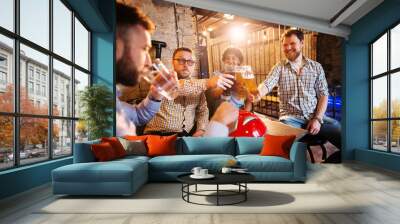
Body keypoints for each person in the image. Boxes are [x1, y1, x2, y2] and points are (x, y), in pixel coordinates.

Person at [252, 29, 341, 148]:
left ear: (302, 43)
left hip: (314, 115)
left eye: (292, 43)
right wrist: (258, 93)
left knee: (341, 133)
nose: (288, 48)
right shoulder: (279, 67)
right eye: (285, 45)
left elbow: (323, 94)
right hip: (290, 119)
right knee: (283, 145)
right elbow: (267, 84)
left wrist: (317, 119)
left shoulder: (315, 67)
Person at [115, 3, 177, 136]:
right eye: (144, 49)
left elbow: (138, 115)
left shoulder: (112, 101)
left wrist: (155, 94)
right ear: (117, 46)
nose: (149, 62)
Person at [144, 48, 223, 136]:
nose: (186, 65)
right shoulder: (162, 77)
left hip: (184, 136)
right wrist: (208, 82)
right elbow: (178, 87)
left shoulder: (197, 86)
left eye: (190, 62)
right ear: (172, 62)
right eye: (181, 60)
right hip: (158, 134)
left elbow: (203, 111)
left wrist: (201, 130)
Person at [206, 47, 252, 118]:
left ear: (239, 61)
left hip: (240, 113)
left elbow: (250, 100)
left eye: (234, 58)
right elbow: (212, 95)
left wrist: (244, 115)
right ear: (224, 61)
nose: (230, 61)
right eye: (227, 58)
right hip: (220, 114)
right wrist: (223, 87)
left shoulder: (245, 74)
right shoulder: (217, 74)